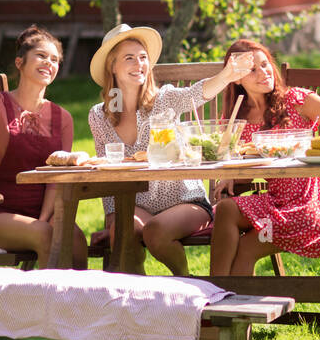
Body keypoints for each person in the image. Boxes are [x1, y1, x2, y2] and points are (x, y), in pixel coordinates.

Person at [87, 23, 255, 276]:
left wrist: (227, 76)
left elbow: (194, 95)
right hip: (134, 203)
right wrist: (113, 215)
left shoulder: (165, 99)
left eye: (143, 58)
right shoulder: (98, 116)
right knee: (123, 231)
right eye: (129, 58)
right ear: (112, 66)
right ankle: (140, 300)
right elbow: (106, 172)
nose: (139, 64)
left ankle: (186, 286)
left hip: (184, 200)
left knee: (156, 232)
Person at [209, 39, 320, 275]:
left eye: (265, 64)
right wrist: (231, 176)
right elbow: (247, 169)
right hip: (274, 203)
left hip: (310, 208)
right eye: (252, 70)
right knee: (225, 210)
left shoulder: (296, 100)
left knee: (246, 248)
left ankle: (226, 298)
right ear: (236, 78)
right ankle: (216, 294)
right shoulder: (236, 118)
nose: (263, 72)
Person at [0, 1, 87, 268]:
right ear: (20, 62)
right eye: (41, 56)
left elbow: (56, 181)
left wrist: (46, 217)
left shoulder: (63, 118)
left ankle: (77, 309)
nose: (49, 62)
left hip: (42, 216)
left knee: (77, 241)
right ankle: (42, 308)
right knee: (48, 236)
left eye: (55, 59)